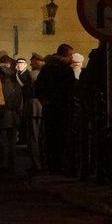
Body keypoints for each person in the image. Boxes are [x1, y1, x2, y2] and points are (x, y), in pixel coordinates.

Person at [34, 43, 76, 173]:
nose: (71, 58)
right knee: (62, 136)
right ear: (65, 55)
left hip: (50, 106)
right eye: (70, 55)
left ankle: (51, 164)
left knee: (50, 136)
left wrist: (44, 100)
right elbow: (71, 88)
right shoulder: (66, 69)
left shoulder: (47, 68)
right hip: (62, 107)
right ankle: (60, 165)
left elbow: (38, 86)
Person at [0, 53, 23, 174]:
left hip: (2, 113)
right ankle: (11, 164)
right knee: (11, 142)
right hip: (13, 113)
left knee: (2, 140)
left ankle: (3, 165)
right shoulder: (15, 78)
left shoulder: (0, 79)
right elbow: (19, 97)